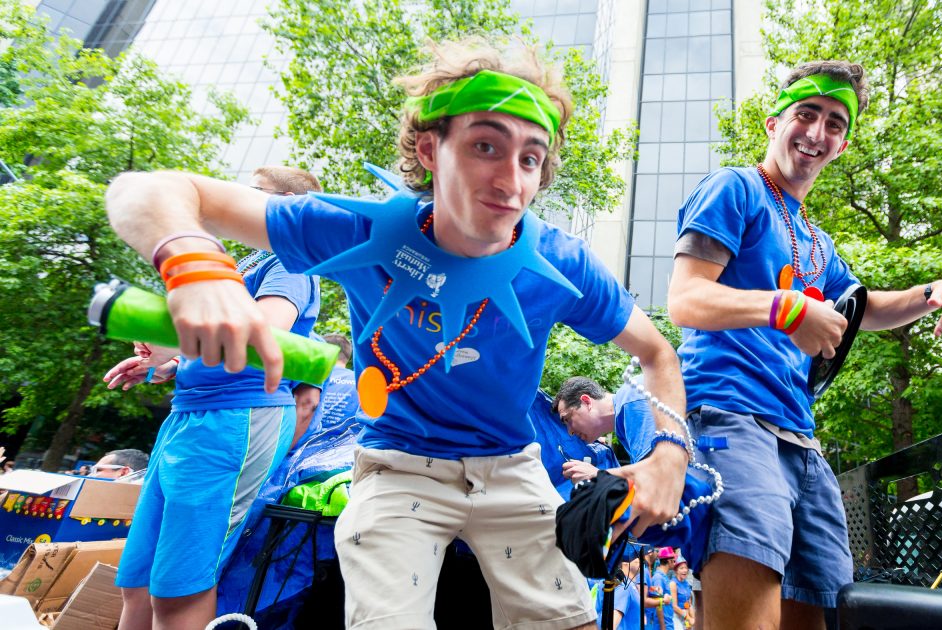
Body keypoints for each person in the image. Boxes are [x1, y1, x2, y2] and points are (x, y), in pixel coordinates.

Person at [104, 38, 686, 630]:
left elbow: (658, 353)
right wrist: (197, 267)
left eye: (531, 158)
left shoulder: (562, 265)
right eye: (486, 145)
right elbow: (144, 190)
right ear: (431, 148)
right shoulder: (359, 231)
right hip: (398, 464)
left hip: (512, 466)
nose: (511, 180)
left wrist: (670, 453)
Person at [668, 61, 942, 629]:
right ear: (773, 124)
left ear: (842, 145)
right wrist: (787, 308)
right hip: (732, 419)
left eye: (835, 123)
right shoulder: (734, 188)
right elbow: (686, 299)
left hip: (802, 438)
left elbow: (864, 308)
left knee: (822, 614)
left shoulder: (817, 240)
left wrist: (935, 290)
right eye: (805, 114)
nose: (817, 132)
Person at [102, 165, 322, 629]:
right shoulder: (246, 265)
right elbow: (211, 339)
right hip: (188, 413)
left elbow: (263, 333)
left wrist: (176, 321)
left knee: (179, 587)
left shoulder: (293, 262)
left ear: (280, 207)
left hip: (237, 418)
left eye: (253, 194)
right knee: (138, 579)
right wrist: (163, 363)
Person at [554, 376, 657, 483]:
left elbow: (659, 472)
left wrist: (597, 475)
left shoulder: (632, 398)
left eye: (567, 419)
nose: (570, 432)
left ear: (586, 402)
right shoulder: (623, 424)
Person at [672, 559, 694, 629]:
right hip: (676, 616)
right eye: (681, 568)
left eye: (686, 568)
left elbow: (688, 604)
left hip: (685, 616)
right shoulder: (673, 584)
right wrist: (688, 618)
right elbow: (674, 606)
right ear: (676, 571)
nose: (685, 570)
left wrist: (693, 618)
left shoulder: (686, 584)